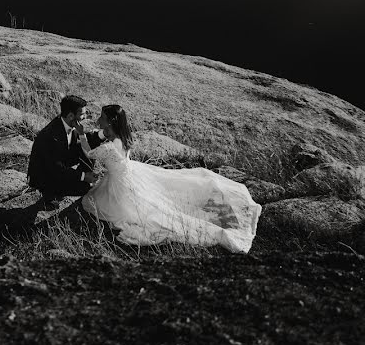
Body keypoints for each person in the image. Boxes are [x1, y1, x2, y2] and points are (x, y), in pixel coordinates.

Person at [78, 105, 261, 253]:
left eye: (102, 117)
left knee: (149, 214)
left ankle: (219, 230)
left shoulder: (109, 148)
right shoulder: (122, 138)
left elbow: (89, 153)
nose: (98, 119)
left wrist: (80, 134)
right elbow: (105, 134)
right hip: (130, 174)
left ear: (110, 122)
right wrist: (100, 132)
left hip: (120, 185)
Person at [27, 95, 105, 209]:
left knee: (89, 146)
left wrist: (101, 134)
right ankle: (51, 194)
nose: (85, 117)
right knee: (85, 187)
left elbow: (83, 142)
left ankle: (80, 178)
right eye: (82, 114)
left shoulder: (67, 123)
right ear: (70, 116)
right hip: (45, 175)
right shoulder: (52, 136)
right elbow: (55, 168)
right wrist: (83, 176)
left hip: (60, 161)